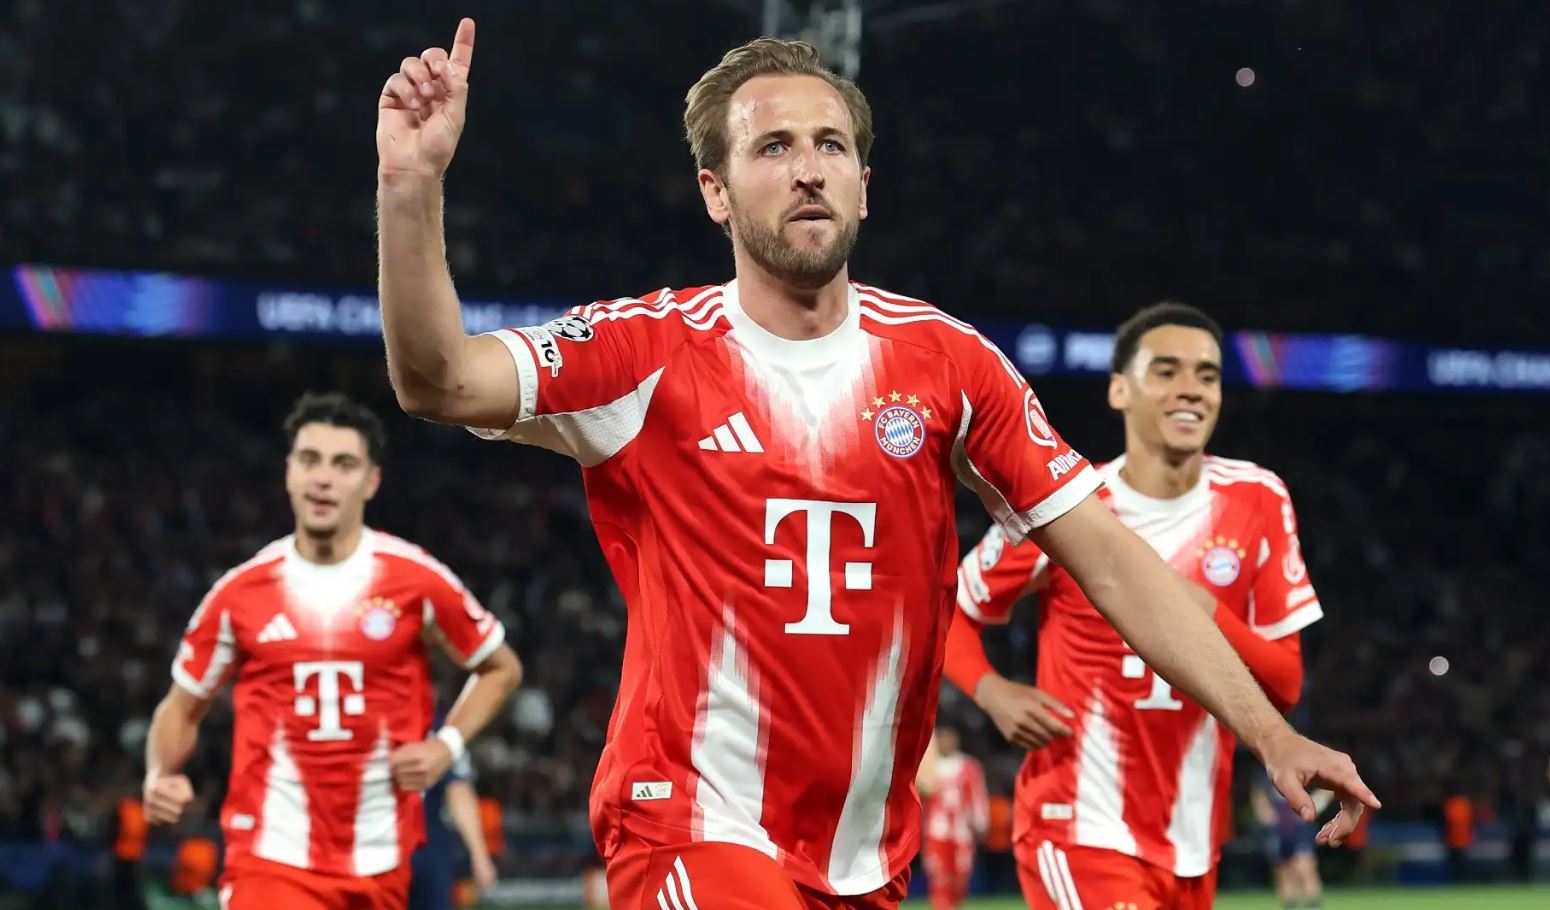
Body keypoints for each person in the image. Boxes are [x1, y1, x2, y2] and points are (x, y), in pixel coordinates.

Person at [373, 23, 1376, 909]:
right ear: (715, 192)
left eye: (831, 145)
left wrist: (1270, 733)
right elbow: (439, 380)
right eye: (773, 146)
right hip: (691, 820)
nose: (809, 168)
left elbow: (1110, 559)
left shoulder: (950, 364)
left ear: (864, 182)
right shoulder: (644, 351)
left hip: (864, 855)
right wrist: (411, 188)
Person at [945, 303, 1323, 910]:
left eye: (1207, 375)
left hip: (1193, 840)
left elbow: (1285, 684)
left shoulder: (1257, 498)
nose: (1191, 389)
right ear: (1119, 389)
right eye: (1166, 371)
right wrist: (991, 691)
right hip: (1078, 825)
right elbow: (951, 607)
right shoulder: (1069, 506)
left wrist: (1207, 613)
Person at [141, 393, 523, 910]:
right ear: (289, 473)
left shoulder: (416, 579)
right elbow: (182, 705)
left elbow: (501, 668)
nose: (323, 478)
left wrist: (446, 746)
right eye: (310, 460)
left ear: (371, 481)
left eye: (344, 464)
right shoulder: (239, 594)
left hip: (381, 858)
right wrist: (159, 775)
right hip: (269, 857)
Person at [409, 713, 499, 910]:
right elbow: (458, 788)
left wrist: (479, 855)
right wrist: (479, 855)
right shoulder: (441, 729)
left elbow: (458, 789)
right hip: (422, 848)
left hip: (417, 846)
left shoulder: (440, 729)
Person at [915, 727, 987, 910]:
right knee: (939, 875)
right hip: (936, 830)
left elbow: (977, 795)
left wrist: (980, 822)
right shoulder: (929, 767)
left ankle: (954, 904)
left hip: (962, 830)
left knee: (961, 875)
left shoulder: (968, 765)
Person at [1250, 774, 1328, 910]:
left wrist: (1311, 808)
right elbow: (1259, 797)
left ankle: (1314, 905)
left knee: (1305, 867)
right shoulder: (1267, 775)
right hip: (1278, 829)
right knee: (1284, 871)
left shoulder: (1306, 772)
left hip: (1301, 828)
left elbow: (1327, 790)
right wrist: (1266, 814)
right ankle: (1290, 905)